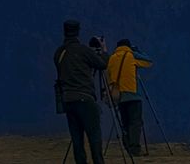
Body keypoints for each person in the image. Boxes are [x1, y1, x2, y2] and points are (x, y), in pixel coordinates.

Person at [53, 20, 108, 164]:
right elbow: (102, 64)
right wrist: (103, 50)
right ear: (78, 31)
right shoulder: (83, 50)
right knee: (94, 137)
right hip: (85, 98)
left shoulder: (59, 53)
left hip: (68, 100)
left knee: (77, 140)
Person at [106, 38, 153, 156]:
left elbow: (109, 76)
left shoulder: (111, 58)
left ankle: (127, 146)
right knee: (135, 122)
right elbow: (149, 61)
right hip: (132, 95)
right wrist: (136, 51)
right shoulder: (131, 55)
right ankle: (135, 149)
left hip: (119, 96)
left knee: (125, 122)